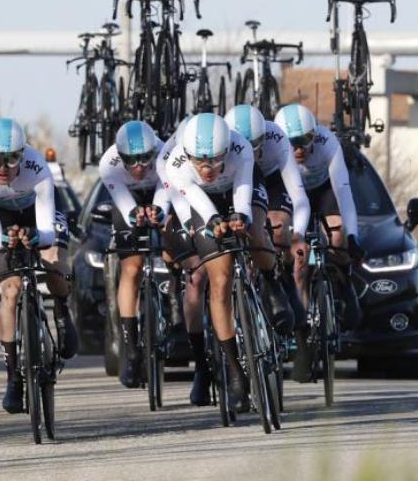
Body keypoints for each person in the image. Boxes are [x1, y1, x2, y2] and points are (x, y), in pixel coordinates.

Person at [165, 112, 291, 411]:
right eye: (199, 161)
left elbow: (244, 188)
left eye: (215, 159)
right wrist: (214, 221)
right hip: (203, 202)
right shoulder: (176, 164)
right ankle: (234, 373)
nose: (207, 168)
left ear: (227, 149)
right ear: (187, 155)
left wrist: (241, 216)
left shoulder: (240, 148)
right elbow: (196, 199)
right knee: (219, 282)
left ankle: (272, 284)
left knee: (257, 232)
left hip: (238, 191)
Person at [0, 117, 77, 414]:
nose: (2, 168)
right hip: (2, 221)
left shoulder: (37, 166)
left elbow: (47, 228)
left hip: (38, 217)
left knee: (54, 262)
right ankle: (13, 376)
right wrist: (5, 238)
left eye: (11, 158)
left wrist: (36, 236)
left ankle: (62, 310)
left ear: (22, 153)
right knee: (10, 291)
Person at [274, 104, 365, 381]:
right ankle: (302, 334)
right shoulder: (276, 151)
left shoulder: (328, 144)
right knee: (300, 259)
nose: (299, 149)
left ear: (315, 135)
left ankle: (344, 281)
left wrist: (352, 237)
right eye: (292, 143)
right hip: (292, 193)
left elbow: (344, 192)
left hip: (323, 190)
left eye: (304, 141)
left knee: (336, 235)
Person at [225, 104, 310, 331]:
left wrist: (298, 235)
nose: (246, 150)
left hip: (272, 180)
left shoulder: (276, 139)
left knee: (278, 226)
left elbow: (297, 194)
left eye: (253, 145)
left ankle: (285, 282)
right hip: (236, 181)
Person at [98, 120, 168, 388]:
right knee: (132, 268)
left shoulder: (164, 154)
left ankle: (173, 304)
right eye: (131, 161)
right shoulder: (109, 163)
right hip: (127, 198)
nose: (138, 167)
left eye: (144, 160)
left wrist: (160, 212)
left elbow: (168, 193)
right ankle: (130, 348)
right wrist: (133, 214)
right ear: (120, 156)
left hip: (161, 192)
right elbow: (123, 203)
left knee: (174, 243)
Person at [156, 117, 211, 406]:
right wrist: (191, 227)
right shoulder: (168, 157)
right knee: (199, 275)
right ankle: (201, 365)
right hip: (184, 209)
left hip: (219, 200)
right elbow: (175, 200)